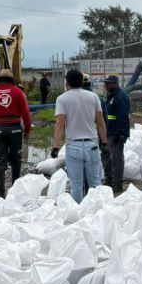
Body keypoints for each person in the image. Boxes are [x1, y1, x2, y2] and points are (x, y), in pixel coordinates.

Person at [51, 69, 107, 203]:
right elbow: (100, 122)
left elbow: (60, 124)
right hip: (92, 145)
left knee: (76, 184)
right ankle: (96, 211)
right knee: (95, 183)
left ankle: (78, 214)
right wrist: (104, 142)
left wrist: (56, 146)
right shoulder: (93, 97)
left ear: (67, 82)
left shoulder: (62, 99)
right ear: (82, 81)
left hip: (74, 146)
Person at [0, 68, 32, 198]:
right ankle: (14, 193)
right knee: (16, 160)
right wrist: (27, 130)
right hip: (15, 129)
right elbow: (26, 114)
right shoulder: (18, 92)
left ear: (0, 79)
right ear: (11, 80)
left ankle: (1, 195)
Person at [101, 75, 131, 193]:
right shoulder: (111, 96)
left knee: (116, 160)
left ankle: (117, 185)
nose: (106, 85)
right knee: (107, 159)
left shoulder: (120, 97)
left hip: (116, 134)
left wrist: (121, 134)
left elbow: (123, 117)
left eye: (108, 83)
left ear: (115, 84)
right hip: (109, 132)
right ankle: (109, 181)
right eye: (106, 83)